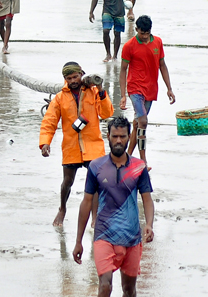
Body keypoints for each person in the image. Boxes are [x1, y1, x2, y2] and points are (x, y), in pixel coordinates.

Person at [72, 117, 154, 297]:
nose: (118, 141)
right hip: (104, 234)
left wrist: (149, 224)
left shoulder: (138, 167)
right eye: (115, 136)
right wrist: (78, 241)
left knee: (129, 290)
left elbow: (147, 199)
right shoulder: (96, 167)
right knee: (105, 286)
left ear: (128, 137)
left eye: (123, 136)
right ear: (107, 136)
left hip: (131, 237)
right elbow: (86, 202)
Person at [40, 62, 114, 226]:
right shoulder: (60, 98)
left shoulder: (93, 91)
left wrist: (101, 91)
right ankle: (62, 209)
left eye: (75, 76)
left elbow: (106, 113)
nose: (73, 80)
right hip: (71, 145)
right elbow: (49, 121)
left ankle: (95, 218)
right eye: (69, 78)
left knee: (96, 181)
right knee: (67, 181)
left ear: (81, 74)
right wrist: (45, 142)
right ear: (65, 79)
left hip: (92, 143)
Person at [118, 15, 175, 166]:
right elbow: (123, 70)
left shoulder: (158, 42)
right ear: (136, 30)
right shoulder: (129, 46)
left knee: (137, 125)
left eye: (147, 33)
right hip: (135, 88)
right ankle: (143, 160)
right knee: (143, 121)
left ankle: (126, 157)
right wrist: (123, 95)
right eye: (142, 33)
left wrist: (169, 88)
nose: (144, 36)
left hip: (151, 89)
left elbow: (162, 65)